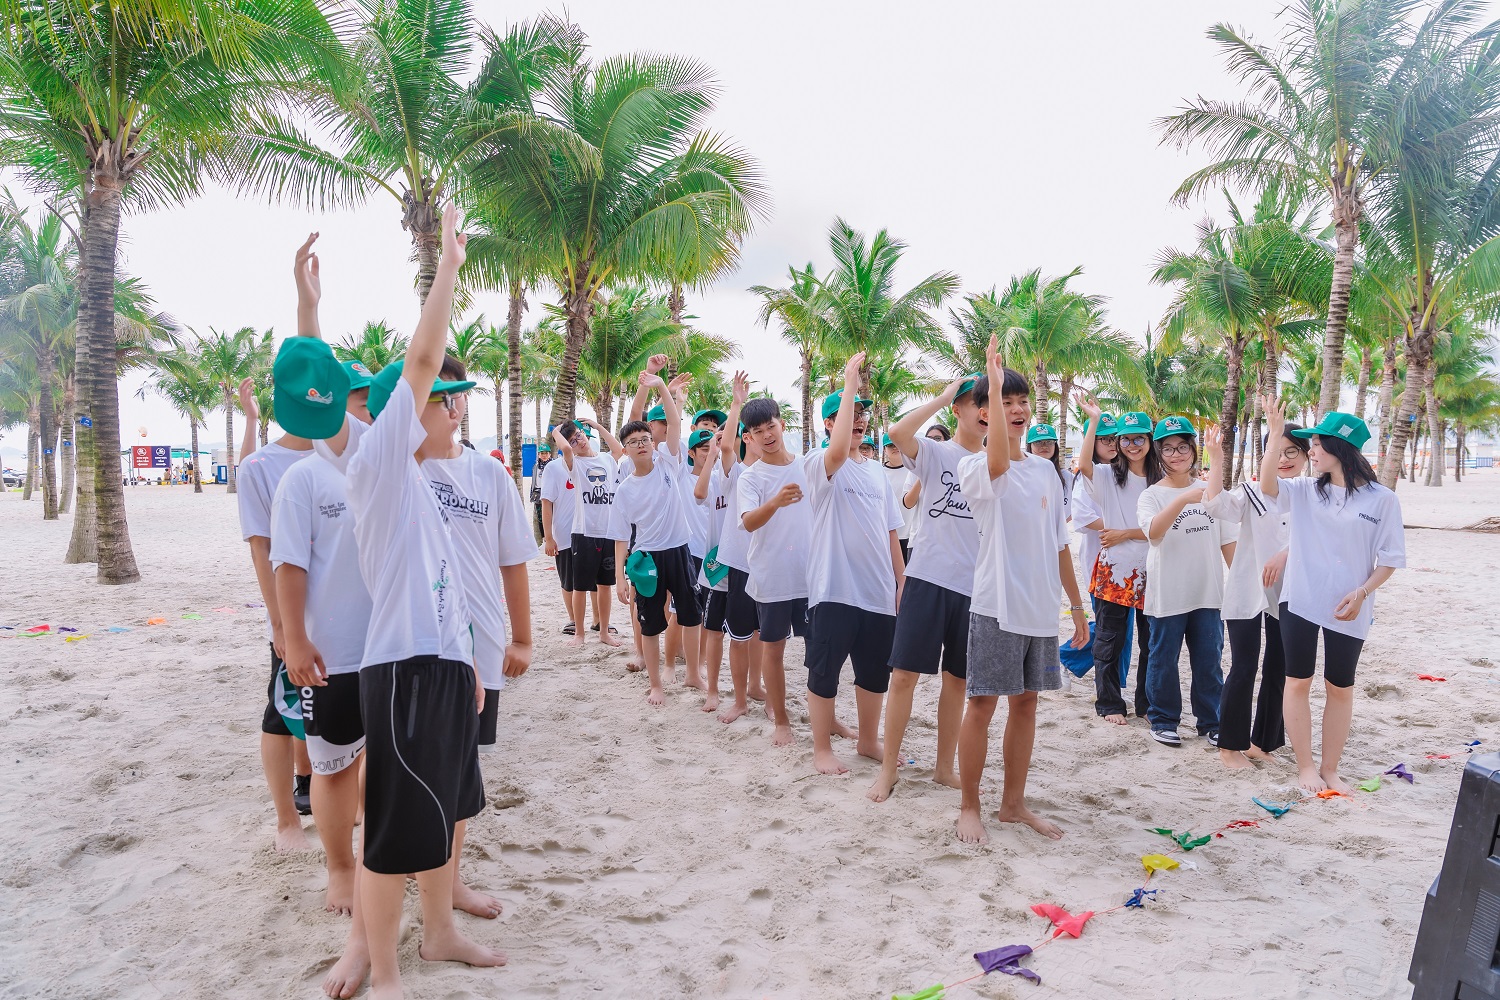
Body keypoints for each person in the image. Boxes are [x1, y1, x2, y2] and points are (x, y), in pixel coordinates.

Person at [309, 206, 506, 996]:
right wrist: (448, 267)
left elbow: (445, 584)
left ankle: (441, 932)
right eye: (442, 396)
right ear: (402, 408)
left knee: (448, 807)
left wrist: (469, 664)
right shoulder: (381, 464)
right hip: (404, 670)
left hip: (444, 666)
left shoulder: (421, 482)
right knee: (392, 832)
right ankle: (386, 969)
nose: (453, 406)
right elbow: (417, 358)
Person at [956, 337, 1089, 843]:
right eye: (1004, 402)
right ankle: (970, 805)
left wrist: (1076, 607)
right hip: (996, 605)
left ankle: (1013, 804)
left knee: (1027, 704)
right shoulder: (976, 465)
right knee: (983, 705)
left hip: (1040, 607)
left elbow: (1059, 545)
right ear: (984, 413)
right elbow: (997, 467)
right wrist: (990, 385)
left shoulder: (1046, 473)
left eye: (1021, 401)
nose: (1016, 410)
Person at [1258, 399, 1405, 794]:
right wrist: (1275, 436)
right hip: (1300, 599)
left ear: (1341, 448)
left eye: (1318, 444)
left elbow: (1390, 560)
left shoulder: (1382, 499)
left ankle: (1330, 768)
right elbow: (1267, 486)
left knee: (1340, 686)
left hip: (1350, 606)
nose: (1312, 451)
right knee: (1298, 681)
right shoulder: (1305, 490)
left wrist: (1362, 593)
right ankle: (1306, 767)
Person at [272, 358, 374, 924]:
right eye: (357, 399)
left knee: (386, 763)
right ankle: (340, 865)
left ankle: (381, 856)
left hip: (393, 646)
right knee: (333, 765)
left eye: (370, 399)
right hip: (333, 652)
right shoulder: (303, 478)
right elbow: (288, 565)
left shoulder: (389, 465)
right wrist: (294, 639)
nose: (365, 409)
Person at [868, 374, 984, 802]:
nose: (985, 410)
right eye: (975, 402)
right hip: (928, 578)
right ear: (959, 409)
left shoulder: (995, 462)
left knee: (957, 681)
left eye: (989, 402)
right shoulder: (938, 452)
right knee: (903, 676)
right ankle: (888, 770)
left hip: (975, 587)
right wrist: (944, 394)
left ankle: (943, 768)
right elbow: (898, 432)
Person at [800, 353, 904, 774]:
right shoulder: (819, 463)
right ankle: (821, 748)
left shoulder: (878, 473)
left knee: (874, 673)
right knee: (824, 671)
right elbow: (838, 451)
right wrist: (848, 384)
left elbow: (892, 531)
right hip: (834, 589)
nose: (858, 420)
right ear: (829, 423)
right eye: (848, 414)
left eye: (862, 414)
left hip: (877, 591)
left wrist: (901, 582)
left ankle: (867, 740)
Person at [235, 365, 315, 850]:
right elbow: (261, 550)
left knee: (326, 711)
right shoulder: (260, 466)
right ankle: (287, 821)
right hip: (291, 613)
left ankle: (318, 789)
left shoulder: (342, 454)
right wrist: (282, 625)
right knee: (282, 712)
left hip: (344, 613)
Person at [1203, 420, 1306, 770]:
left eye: (1293, 452)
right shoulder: (1250, 492)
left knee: (1280, 667)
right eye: (1278, 451)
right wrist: (1216, 459)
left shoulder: (1309, 496)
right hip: (1248, 588)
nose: (1285, 459)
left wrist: (1286, 554)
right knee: (1244, 666)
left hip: (1291, 593)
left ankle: (1261, 743)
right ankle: (1229, 746)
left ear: (1306, 457)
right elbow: (1216, 506)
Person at [1137, 416, 1236, 749]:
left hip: (1208, 592)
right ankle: (1164, 720)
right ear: (1159, 453)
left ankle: (1211, 723)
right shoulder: (1151, 496)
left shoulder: (1212, 492)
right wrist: (1182, 499)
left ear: (1194, 450)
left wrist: (1239, 584)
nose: (1176, 454)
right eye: (1167, 448)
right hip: (1168, 594)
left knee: (1209, 661)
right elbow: (1154, 533)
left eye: (1182, 447)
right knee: (1163, 659)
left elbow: (1227, 540)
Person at [608, 377, 704, 707]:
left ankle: (693, 674)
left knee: (691, 615)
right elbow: (621, 537)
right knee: (649, 625)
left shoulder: (668, 462)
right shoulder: (624, 490)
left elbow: (674, 422)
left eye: (645, 439)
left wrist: (662, 386)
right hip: (646, 559)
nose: (641, 445)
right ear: (626, 449)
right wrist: (620, 578)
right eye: (633, 442)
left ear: (653, 441)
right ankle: (655, 685)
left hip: (679, 550)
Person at [737, 394, 815, 748]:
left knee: (820, 650)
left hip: (811, 575)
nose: (767, 435)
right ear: (749, 437)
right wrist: (775, 502)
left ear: (782, 425)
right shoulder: (751, 478)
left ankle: (827, 717)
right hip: (772, 576)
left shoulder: (808, 466)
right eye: (758, 431)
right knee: (773, 650)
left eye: (771, 426)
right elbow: (748, 522)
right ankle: (781, 720)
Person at [1076, 404, 1158, 725]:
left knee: (1151, 642)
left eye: (1139, 439)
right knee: (1109, 640)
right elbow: (1084, 464)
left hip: (1154, 570)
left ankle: (1147, 704)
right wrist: (1094, 420)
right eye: (1126, 439)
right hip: (1115, 571)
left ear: (1149, 440)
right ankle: (1109, 703)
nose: (1132, 445)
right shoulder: (1108, 475)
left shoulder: (1162, 479)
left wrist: (1126, 533)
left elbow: (1165, 527)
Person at [554, 418, 624, 647]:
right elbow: (565, 449)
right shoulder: (574, 464)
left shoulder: (606, 459)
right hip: (583, 532)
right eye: (573, 441)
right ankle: (579, 633)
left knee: (605, 586)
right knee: (580, 587)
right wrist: (556, 432)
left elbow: (618, 449)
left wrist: (597, 425)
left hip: (608, 532)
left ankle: (604, 631)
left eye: (579, 436)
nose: (578, 442)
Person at [540, 438, 588, 636]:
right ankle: (573, 619)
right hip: (565, 534)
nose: (581, 442)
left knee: (593, 582)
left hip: (589, 532)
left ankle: (597, 621)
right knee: (569, 580)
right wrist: (549, 537)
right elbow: (546, 502)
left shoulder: (589, 463)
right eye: (574, 439)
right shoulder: (553, 468)